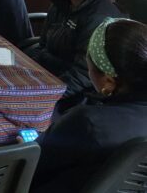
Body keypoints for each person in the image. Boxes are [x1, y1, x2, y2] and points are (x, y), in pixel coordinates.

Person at [30, 19, 147, 192]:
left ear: (108, 80)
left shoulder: (88, 122)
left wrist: (25, 147)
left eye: (88, 60)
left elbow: (34, 161)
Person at [25, 0, 124, 111]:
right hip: (50, 78)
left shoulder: (99, 18)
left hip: (77, 97)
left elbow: (83, 76)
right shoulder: (61, 2)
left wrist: (41, 96)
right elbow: (43, 46)